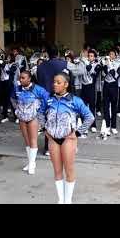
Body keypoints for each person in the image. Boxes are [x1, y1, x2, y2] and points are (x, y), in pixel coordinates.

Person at [37, 71, 94, 204]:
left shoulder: (75, 100)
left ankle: (68, 200)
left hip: (68, 140)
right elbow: (40, 113)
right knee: (57, 171)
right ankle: (60, 200)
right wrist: (44, 128)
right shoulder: (49, 99)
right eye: (54, 82)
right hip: (53, 140)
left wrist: (78, 133)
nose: (54, 85)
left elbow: (89, 117)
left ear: (66, 84)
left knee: (69, 170)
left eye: (58, 82)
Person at [11, 71, 49, 175]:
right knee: (27, 140)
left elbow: (47, 99)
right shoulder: (17, 89)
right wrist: (16, 110)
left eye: (23, 78)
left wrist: (40, 111)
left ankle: (32, 163)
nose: (20, 80)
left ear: (29, 79)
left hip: (33, 118)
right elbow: (13, 99)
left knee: (33, 140)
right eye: (20, 78)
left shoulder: (38, 89)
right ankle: (30, 162)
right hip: (22, 118)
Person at [37, 45, 67, 156]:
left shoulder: (41, 66)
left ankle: (48, 147)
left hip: (46, 96)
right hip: (60, 95)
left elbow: (39, 81)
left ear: (47, 54)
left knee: (48, 121)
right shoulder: (63, 64)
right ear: (58, 53)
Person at [79, 49, 101, 133]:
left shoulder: (97, 65)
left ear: (94, 57)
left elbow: (94, 75)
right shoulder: (83, 64)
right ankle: (84, 125)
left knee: (92, 107)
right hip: (84, 87)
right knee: (83, 107)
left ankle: (93, 125)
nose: (89, 57)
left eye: (91, 56)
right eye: (88, 56)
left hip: (91, 87)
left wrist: (87, 64)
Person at [101, 50, 120, 134]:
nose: (110, 55)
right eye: (109, 54)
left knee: (113, 106)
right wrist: (106, 64)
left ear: (115, 56)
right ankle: (107, 125)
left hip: (114, 86)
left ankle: (114, 126)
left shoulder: (118, 64)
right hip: (106, 85)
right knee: (105, 106)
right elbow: (104, 73)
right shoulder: (105, 63)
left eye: (112, 54)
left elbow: (115, 75)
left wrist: (110, 65)